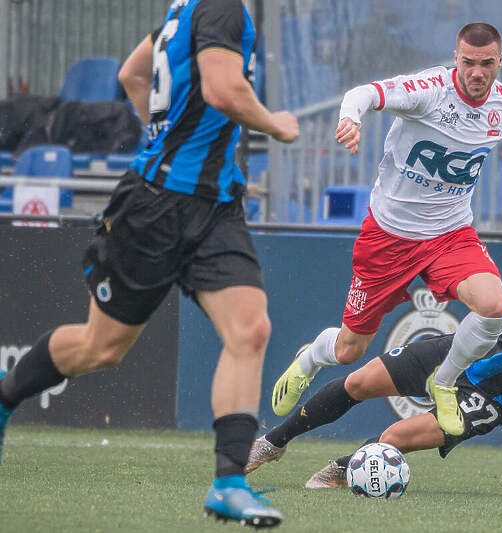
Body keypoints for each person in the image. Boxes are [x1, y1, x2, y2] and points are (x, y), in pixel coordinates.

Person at [271, 23, 502, 437]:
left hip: (450, 234)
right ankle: (310, 358)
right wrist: (351, 118)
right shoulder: (428, 90)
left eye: (487, 63)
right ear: (456, 58)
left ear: (499, 62)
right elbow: (362, 93)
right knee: (349, 351)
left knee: (493, 307)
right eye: (468, 62)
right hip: (388, 237)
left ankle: (444, 380)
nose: (477, 72)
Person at [0, 0, 298, 527]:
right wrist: (276, 125)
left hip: (215, 209)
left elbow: (132, 73)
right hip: (154, 208)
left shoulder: (188, 10)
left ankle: (229, 482)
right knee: (102, 348)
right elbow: (224, 91)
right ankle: (6, 395)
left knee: (250, 330)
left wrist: (171, 143)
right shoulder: (222, 8)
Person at [255, 257, 502, 501]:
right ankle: (271, 443)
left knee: (393, 439)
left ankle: (344, 468)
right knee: (359, 382)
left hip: (491, 399)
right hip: (457, 356)